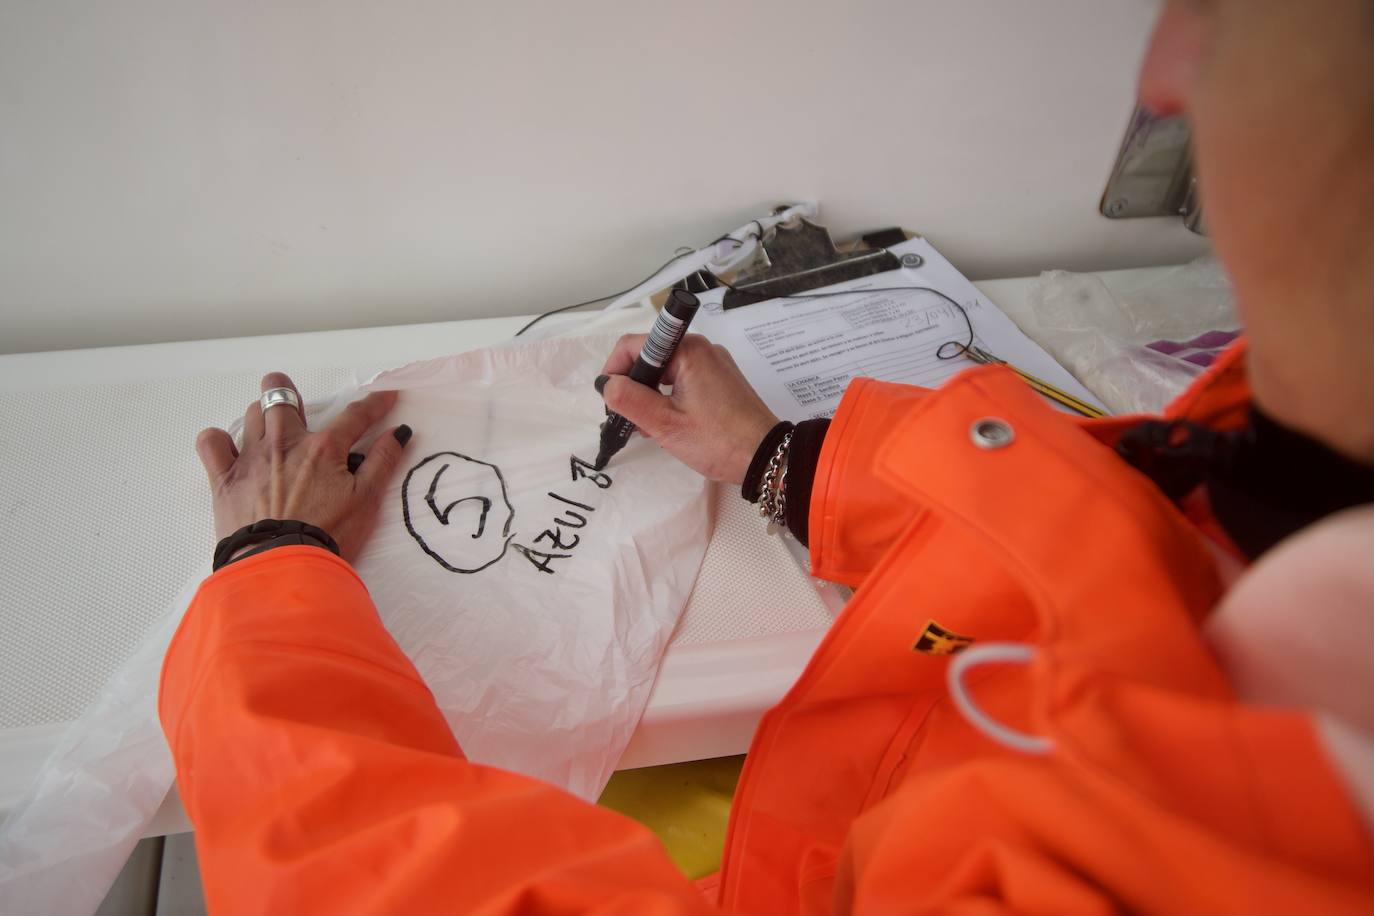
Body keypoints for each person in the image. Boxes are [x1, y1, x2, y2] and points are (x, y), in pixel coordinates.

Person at [170, 1, 1374, 912]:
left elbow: (378, 878)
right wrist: (781, 458)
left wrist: (271, 576)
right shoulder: (1301, 454)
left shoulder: (1185, 858)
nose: (1161, 73)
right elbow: (1110, 561)